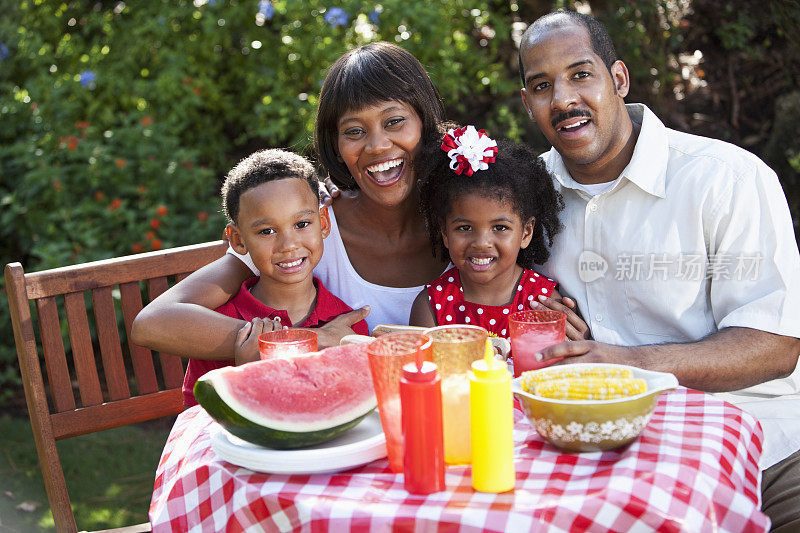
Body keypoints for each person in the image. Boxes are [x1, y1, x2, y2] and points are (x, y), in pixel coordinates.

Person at [517, 10, 800, 530]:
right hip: (597, 455)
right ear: (528, 103)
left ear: (618, 79)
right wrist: (536, 315)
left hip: (763, 447)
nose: (562, 99)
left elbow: (775, 344)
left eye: (581, 74)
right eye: (542, 86)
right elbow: (486, 290)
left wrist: (625, 362)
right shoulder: (522, 197)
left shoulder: (727, 179)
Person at [131, 42, 450, 357]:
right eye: (354, 131)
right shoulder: (303, 225)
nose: (377, 145)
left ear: (424, 120)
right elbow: (155, 321)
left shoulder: (469, 220)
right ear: (335, 144)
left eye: (394, 122)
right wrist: (305, 342)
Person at [180, 149, 368, 406]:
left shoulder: (345, 324)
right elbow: (199, 418)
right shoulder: (217, 324)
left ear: (323, 223)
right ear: (238, 240)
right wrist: (245, 374)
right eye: (267, 231)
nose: (288, 245)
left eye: (301, 224)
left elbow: (354, 405)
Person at [409, 124, 590, 343]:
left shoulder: (542, 302)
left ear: (526, 232)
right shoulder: (431, 306)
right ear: (445, 233)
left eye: (500, 227)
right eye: (464, 228)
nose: (482, 243)